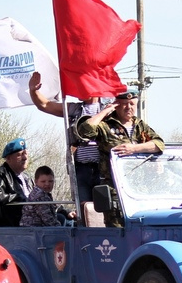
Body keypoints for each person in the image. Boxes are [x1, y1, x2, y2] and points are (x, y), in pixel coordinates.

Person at [74, 91, 164, 226]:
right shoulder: (106, 126)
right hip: (115, 191)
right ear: (117, 105)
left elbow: (159, 144)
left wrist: (134, 148)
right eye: (124, 104)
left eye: (132, 104)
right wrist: (107, 110)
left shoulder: (140, 126)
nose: (129, 108)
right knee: (118, 232)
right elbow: (85, 130)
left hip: (139, 190)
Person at [28, 71, 108, 205]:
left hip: (104, 168)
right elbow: (45, 105)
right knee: (83, 208)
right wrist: (33, 92)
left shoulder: (107, 109)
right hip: (81, 169)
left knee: (105, 207)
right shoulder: (75, 109)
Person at [0, 138, 32, 226]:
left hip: (31, 223)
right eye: (20, 154)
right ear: (9, 158)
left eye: (25, 153)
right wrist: (19, 197)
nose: (25, 158)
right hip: (10, 226)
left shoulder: (27, 177)